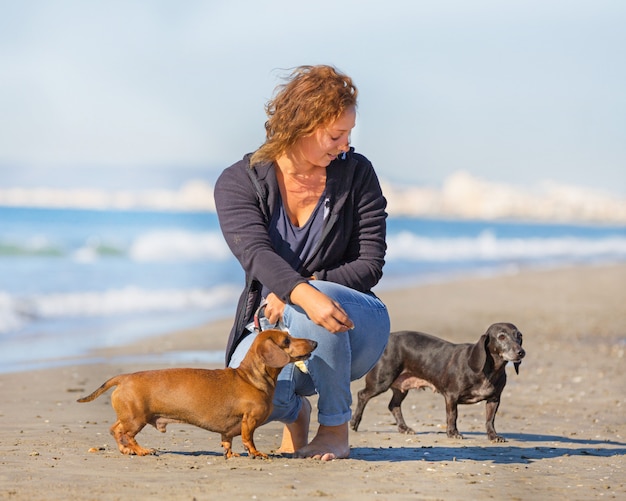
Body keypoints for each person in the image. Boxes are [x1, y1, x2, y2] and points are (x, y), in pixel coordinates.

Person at [213, 65, 390, 460]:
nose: (345, 145)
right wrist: (294, 291)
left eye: (348, 134)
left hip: (354, 322)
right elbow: (255, 253)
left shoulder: (357, 174)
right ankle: (296, 412)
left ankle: (334, 429)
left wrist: (304, 289)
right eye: (335, 135)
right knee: (245, 404)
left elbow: (370, 263)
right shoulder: (238, 182)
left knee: (314, 300)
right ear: (300, 125)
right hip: (276, 327)